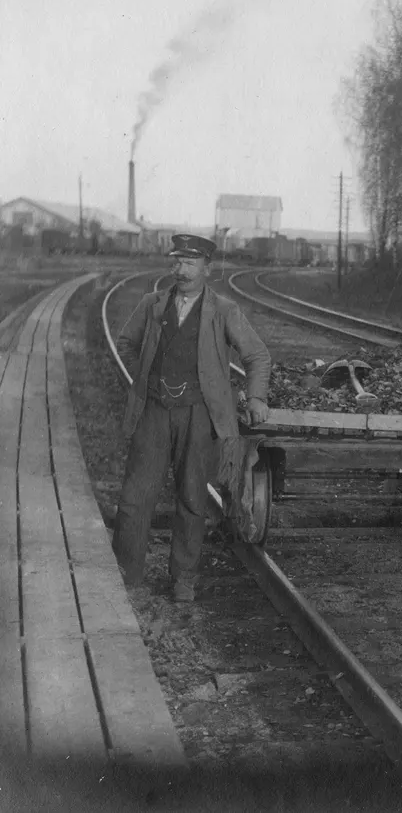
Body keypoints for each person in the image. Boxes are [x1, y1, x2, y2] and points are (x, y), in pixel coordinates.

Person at [113, 234, 271, 602]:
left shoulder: (224, 310)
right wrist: (144, 379)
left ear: (207, 269)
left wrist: (257, 396)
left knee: (191, 498)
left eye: (189, 264)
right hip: (153, 411)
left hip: (199, 416)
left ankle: (183, 578)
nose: (180, 270)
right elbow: (126, 344)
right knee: (136, 496)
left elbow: (257, 356)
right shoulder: (153, 304)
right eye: (176, 262)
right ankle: (126, 573)